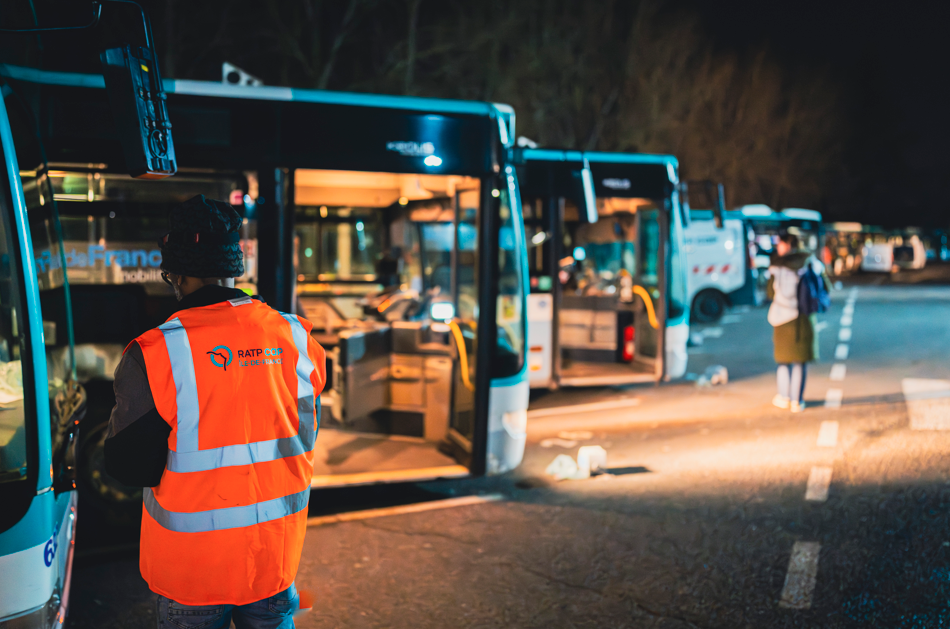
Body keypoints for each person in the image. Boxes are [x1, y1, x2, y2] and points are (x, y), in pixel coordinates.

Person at [104, 195, 326, 629]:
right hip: (273, 562)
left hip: (192, 574)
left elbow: (127, 465)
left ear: (176, 274)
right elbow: (306, 433)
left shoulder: (155, 352)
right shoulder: (294, 335)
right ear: (234, 265)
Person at [767, 232, 829, 413]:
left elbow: (770, 293)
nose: (778, 247)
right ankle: (797, 400)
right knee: (799, 362)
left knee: (783, 361)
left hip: (781, 319)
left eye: (780, 243)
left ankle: (783, 396)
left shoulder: (777, 266)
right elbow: (824, 286)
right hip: (803, 318)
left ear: (787, 245)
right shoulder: (810, 262)